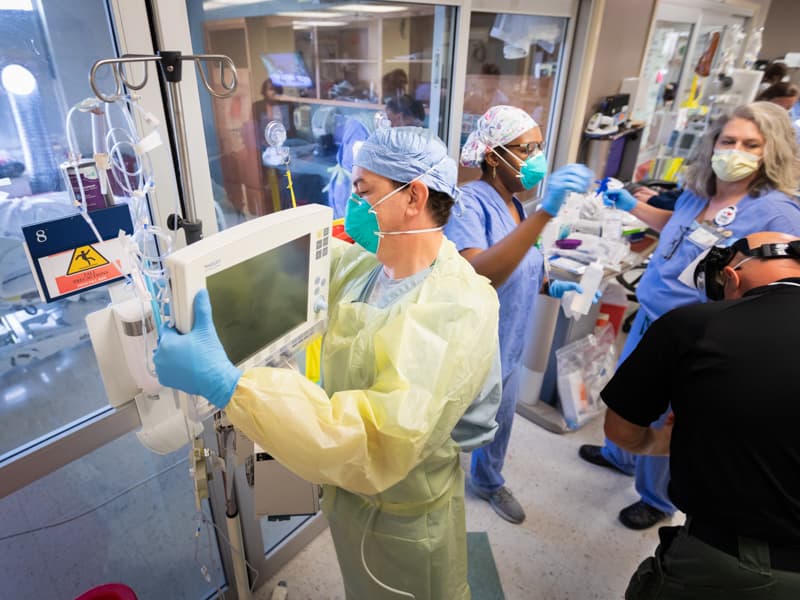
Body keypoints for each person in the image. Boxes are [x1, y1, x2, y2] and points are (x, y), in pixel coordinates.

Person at [154, 126, 503, 600]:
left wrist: (229, 386)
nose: (353, 205)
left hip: (405, 517)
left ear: (413, 197)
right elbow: (297, 269)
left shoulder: (455, 308)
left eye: (363, 192)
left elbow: (370, 437)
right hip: (352, 498)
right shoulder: (369, 269)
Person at [579, 101, 800, 530]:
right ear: (712, 143)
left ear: (770, 152)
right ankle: (620, 455)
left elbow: (775, 288)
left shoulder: (776, 214)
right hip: (650, 316)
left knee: (672, 418)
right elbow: (677, 226)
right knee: (633, 397)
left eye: (751, 145)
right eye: (728, 140)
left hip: (697, 331)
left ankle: (656, 498)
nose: (735, 151)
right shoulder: (702, 187)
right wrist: (630, 205)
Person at [603, 231, 800, 599]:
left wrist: (662, 441)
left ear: (733, 277)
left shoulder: (694, 326)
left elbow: (620, 429)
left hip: (728, 563)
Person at [446, 105, 595, 524]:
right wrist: (548, 212)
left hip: (509, 340)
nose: (538, 159)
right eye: (527, 149)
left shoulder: (516, 205)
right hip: (474, 348)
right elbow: (481, 271)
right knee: (454, 426)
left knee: (502, 417)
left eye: (540, 148)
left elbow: (523, 260)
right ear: (493, 155)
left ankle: (489, 481)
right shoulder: (467, 204)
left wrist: (551, 284)